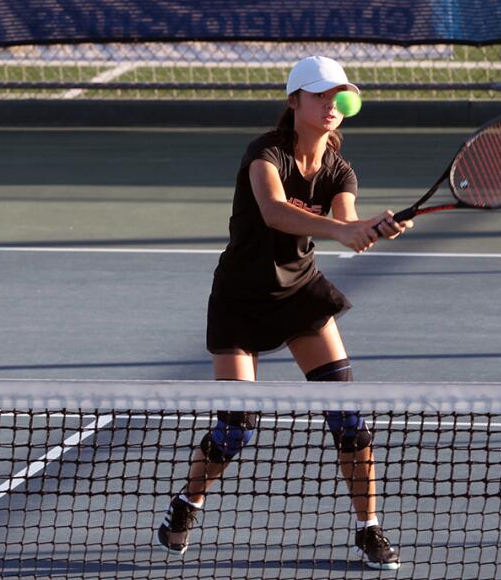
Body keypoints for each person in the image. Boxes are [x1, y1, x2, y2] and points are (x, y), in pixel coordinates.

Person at [155, 55, 411, 570]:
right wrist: (343, 231)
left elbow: (344, 219)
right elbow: (273, 210)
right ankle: (187, 503)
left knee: (350, 421)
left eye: (337, 95)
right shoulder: (265, 153)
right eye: (319, 95)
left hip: (300, 294)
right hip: (240, 299)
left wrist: (367, 228)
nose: (330, 104)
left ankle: (369, 528)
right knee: (235, 427)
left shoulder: (340, 168)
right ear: (294, 102)